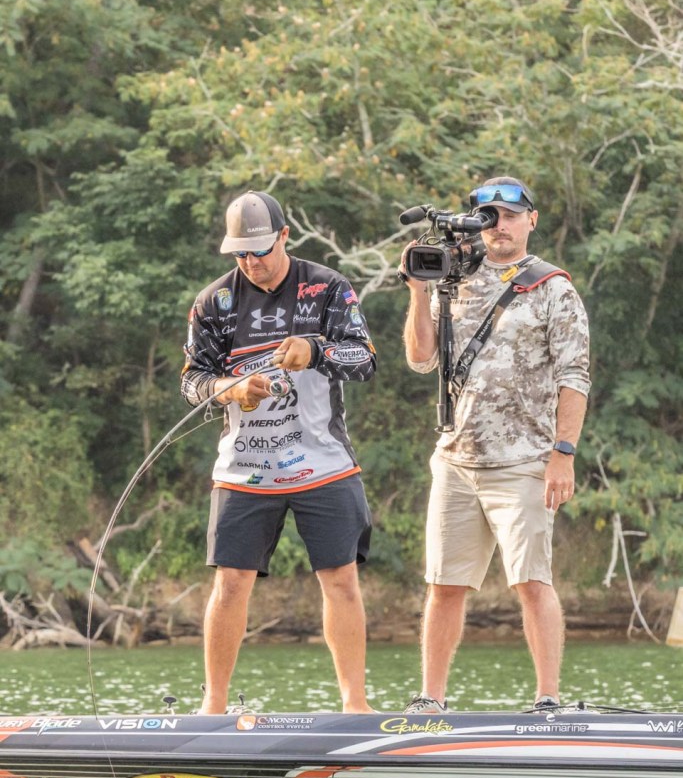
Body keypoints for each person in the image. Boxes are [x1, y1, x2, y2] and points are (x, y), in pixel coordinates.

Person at [400, 176, 590, 714]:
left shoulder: (552, 286)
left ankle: (547, 699)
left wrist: (563, 453)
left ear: (531, 219)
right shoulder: (455, 278)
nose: (499, 225)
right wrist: (418, 291)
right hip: (456, 459)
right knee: (444, 584)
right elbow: (420, 359)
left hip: (525, 459)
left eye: (509, 215)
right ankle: (430, 700)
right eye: (489, 217)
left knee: (531, 580)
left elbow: (574, 377)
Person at [182, 189, 376, 714]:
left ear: (285, 236)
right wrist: (229, 389)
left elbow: (364, 360)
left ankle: (355, 705)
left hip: (323, 462)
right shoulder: (213, 303)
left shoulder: (327, 287)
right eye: (240, 254)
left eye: (260, 251)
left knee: (341, 579)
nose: (251, 263)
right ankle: (213, 706)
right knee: (230, 582)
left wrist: (315, 349)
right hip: (245, 469)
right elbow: (192, 381)